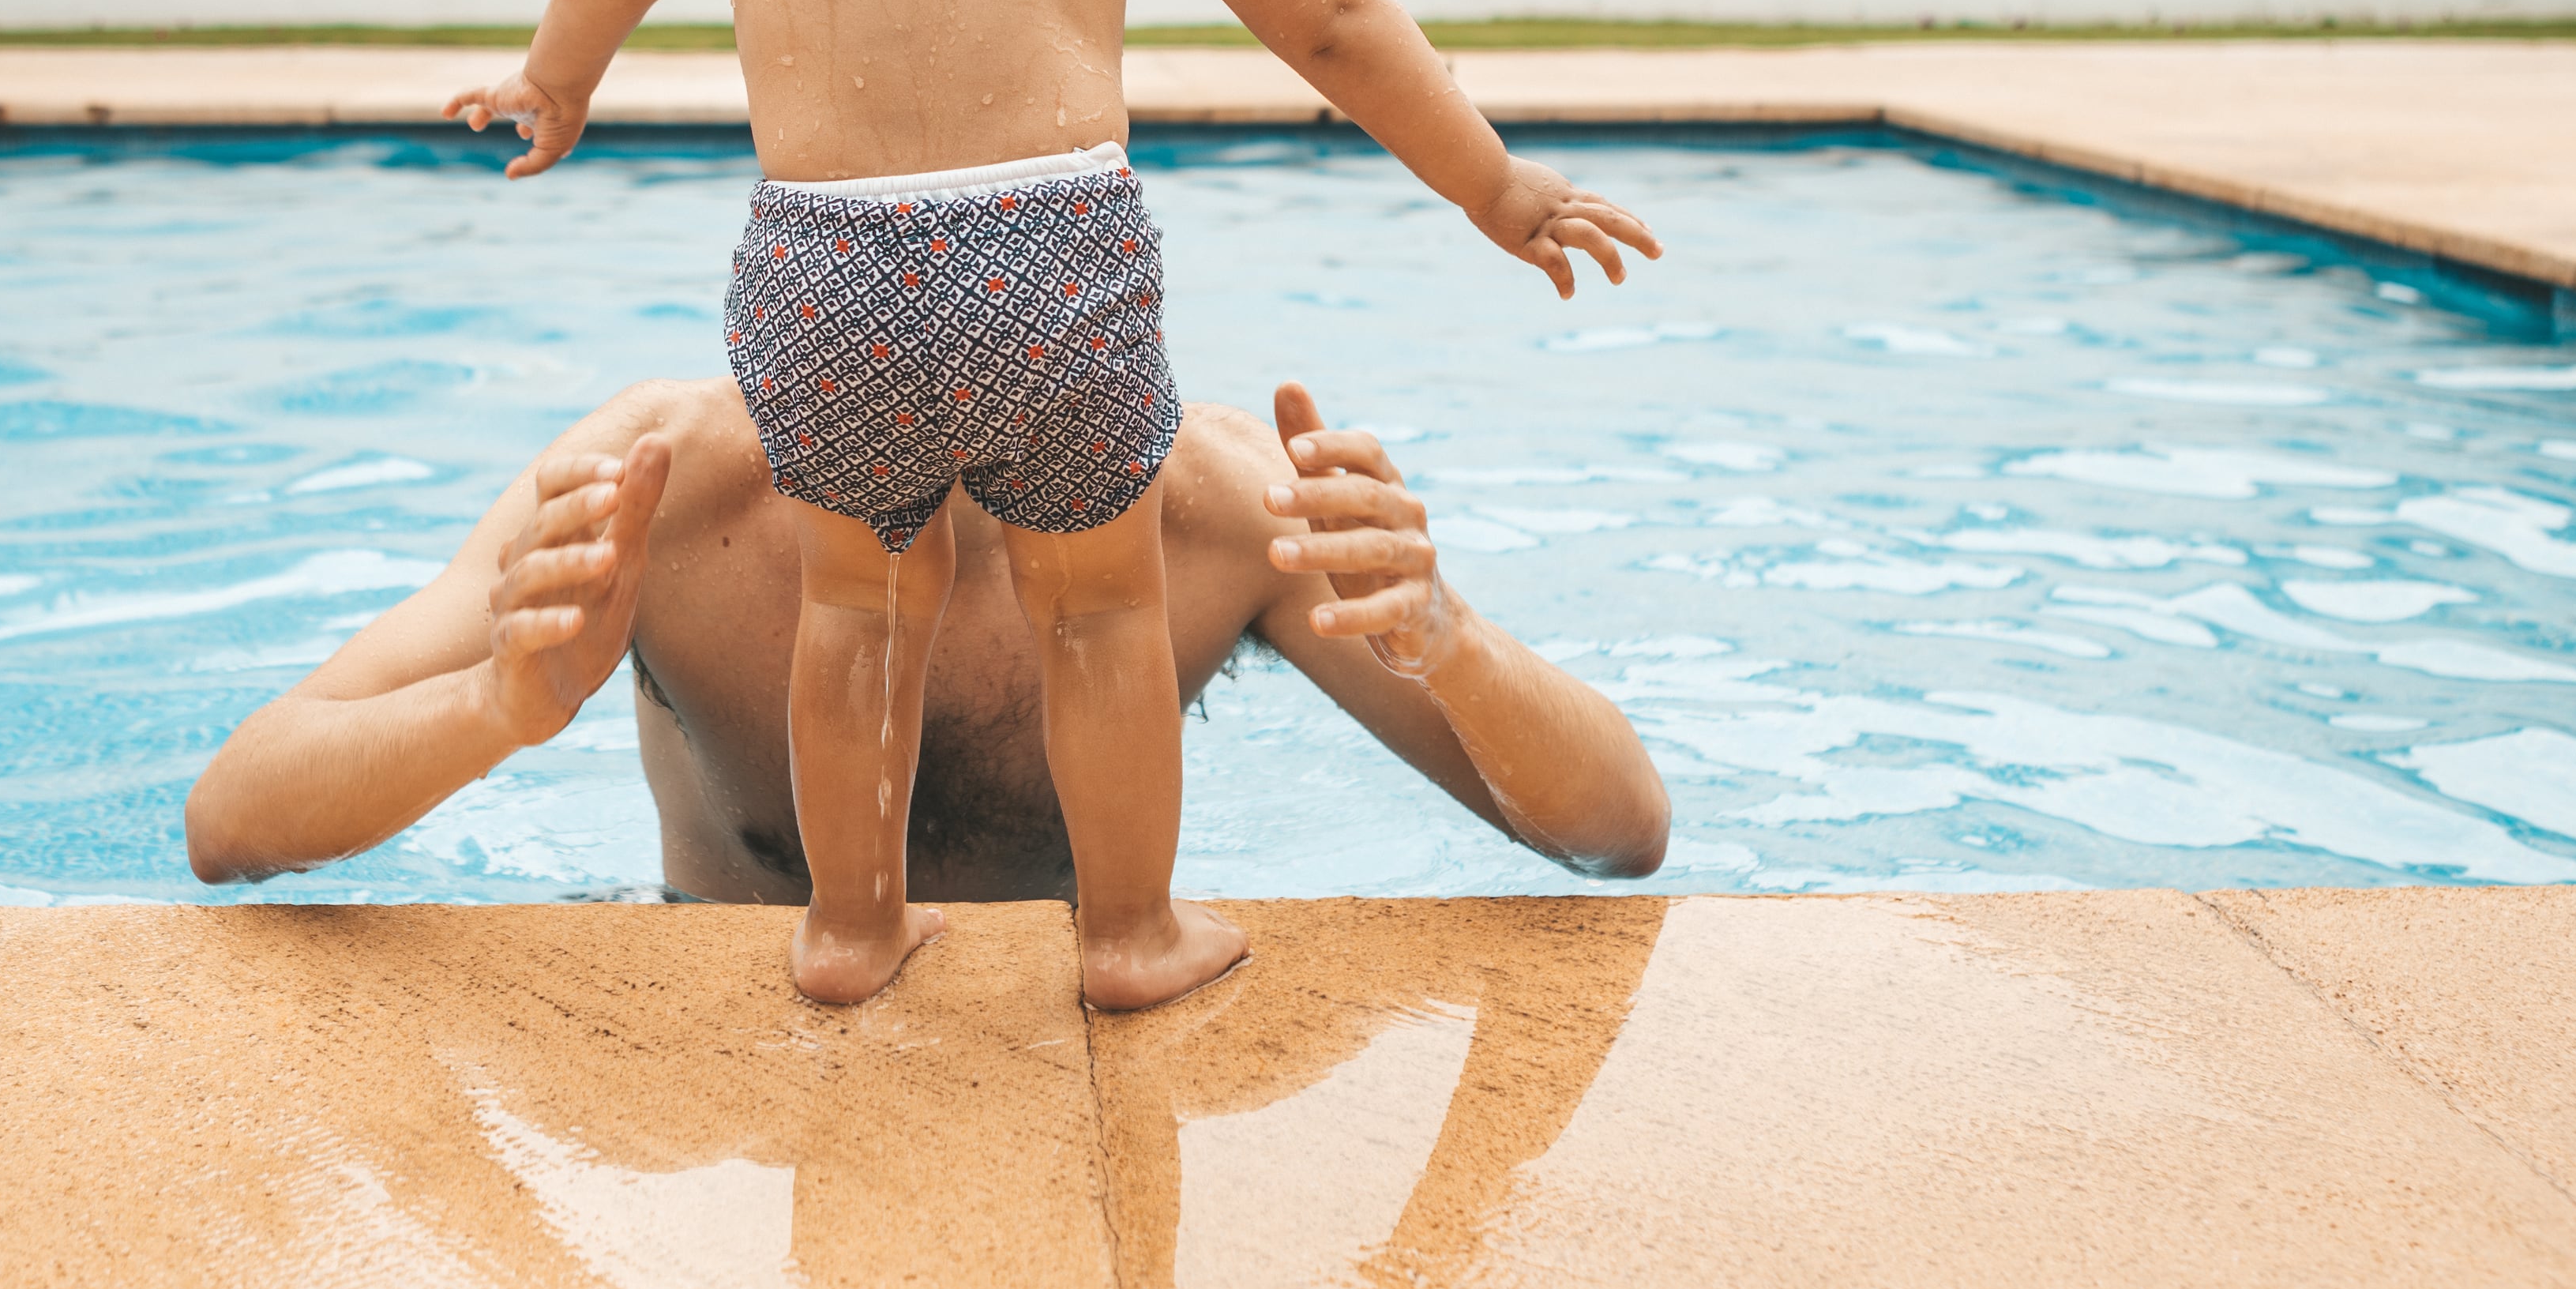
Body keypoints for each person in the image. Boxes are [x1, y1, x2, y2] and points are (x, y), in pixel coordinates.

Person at [441, 0, 1662, 1009]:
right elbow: (1333, 25)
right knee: (1096, 609)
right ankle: (1126, 934)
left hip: (818, 262)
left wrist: (555, 85)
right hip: (1046, 251)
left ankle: (850, 929)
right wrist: (1491, 188)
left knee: (856, 607)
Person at [182, 380, 1672, 934]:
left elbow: (1619, 830)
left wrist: (1450, 640)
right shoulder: (661, 489)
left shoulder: (1214, 506)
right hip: (728, 1034)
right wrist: (497, 705)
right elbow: (235, 817)